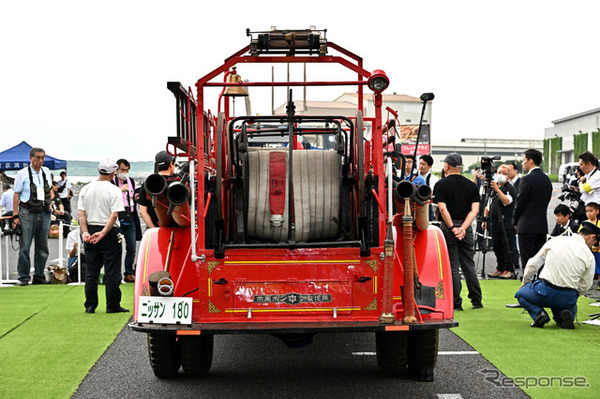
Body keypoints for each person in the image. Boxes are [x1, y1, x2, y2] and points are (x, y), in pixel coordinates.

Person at [514, 221, 599, 329]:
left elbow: (532, 265)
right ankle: (564, 314)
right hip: (568, 296)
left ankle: (539, 314)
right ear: (592, 237)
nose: (593, 246)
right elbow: (586, 284)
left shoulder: (556, 240)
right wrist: (574, 295)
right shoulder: (589, 255)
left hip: (545, 291)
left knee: (520, 294)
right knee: (565, 309)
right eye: (595, 243)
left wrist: (526, 283)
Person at [433, 152, 483, 310]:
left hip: (449, 228)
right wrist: (463, 228)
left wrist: (452, 228)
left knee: (453, 265)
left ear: (447, 165)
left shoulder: (441, 184)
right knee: (469, 264)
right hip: (466, 227)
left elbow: (442, 208)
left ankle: (456, 303)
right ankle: (477, 300)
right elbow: (474, 211)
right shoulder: (471, 185)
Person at [78, 159, 128, 314]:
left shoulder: (86, 189)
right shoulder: (114, 190)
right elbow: (114, 215)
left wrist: (85, 232)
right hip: (109, 231)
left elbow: (81, 214)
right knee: (112, 270)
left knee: (91, 271)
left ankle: (90, 304)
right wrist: (104, 232)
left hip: (90, 229)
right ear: (114, 173)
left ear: (99, 170)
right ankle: (112, 304)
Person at [12, 147, 53, 286]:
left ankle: (39, 275)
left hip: (44, 211)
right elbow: (16, 194)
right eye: (38, 158)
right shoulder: (22, 174)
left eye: (42, 158)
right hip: (27, 212)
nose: (40, 161)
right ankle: (24, 276)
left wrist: (51, 204)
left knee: (43, 246)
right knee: (25, 245)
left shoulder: (46, 172)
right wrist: (15, 215)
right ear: (31, 158)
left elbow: (50, 190)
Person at [512, 149, 553, 270]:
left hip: (526, 225)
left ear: (530, 161)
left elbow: (520, 203)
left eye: (524, 160)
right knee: (540, 261)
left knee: (528, 261)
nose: (522, 163)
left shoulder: (527, 179)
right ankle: (540, 285)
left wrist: (515, 221)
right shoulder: (546, 179)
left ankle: (527, 286)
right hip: (541, 225)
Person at [484, 165, 518, 279]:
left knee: (507, 247)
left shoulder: (510, 188)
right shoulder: (494, 188)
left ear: (508, 176)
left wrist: (498, 190)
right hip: (495, 223)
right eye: (499, 172)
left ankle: (508, 269)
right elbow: (489, 204)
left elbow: (507, 201)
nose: (501, 175)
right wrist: (485, 218)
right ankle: (500, 267)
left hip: (506, 223)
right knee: (497, 246)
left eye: (504, 173)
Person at [111, 158, 139, 283]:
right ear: (116, 170)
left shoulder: (132, 182)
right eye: (123, 170)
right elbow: (108, 197)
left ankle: (128, 272)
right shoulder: (112, 183)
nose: (125, 172)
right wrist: (120, 190)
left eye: (127, 170)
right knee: (115, 247)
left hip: (130, 215)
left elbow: (135, 197)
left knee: (131, 247)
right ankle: (114, 274)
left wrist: (138, 196)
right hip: (116, 217)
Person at [138, 151, 177, 229]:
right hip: (177, 230)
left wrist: (153, 229)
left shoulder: (147, 183)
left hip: (155, 230)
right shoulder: (178, 182)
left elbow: (143, 211)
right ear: (171, 164)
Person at [418, 154, 439, 220]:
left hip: (427, 207)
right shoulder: (413, 177)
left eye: (424, 164)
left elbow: (431, 192)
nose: (421, 166)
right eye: (420, 163)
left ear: (429, 166)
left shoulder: (433, 179)